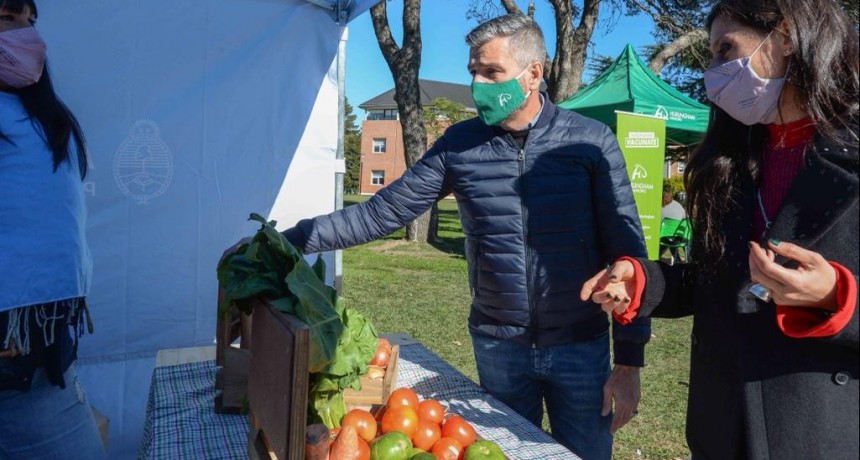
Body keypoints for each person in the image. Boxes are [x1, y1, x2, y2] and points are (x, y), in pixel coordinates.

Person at [226, 14, 648, 459]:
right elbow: (383, 211)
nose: (478, 84)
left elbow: (630, 253)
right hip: (499, 345)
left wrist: (630, 361)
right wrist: (288, 239)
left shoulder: (589, 142)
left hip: (580, 348)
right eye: (473, 72)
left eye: (491, 73)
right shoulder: (459, 145)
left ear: (534, 75)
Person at [581, 0, 858, 458]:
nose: (713, 73)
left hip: (819, 427)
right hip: (721, 423)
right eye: (710, 55)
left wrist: (837, 298)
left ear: (786, 37)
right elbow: (717, 283)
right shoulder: (728, 161)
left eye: (725, 49)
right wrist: (642, 280)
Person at [0, 1, 106, 459]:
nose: (28, 37)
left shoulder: (43, 116)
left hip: (47, 365)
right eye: (6, 18)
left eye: (29, 22)